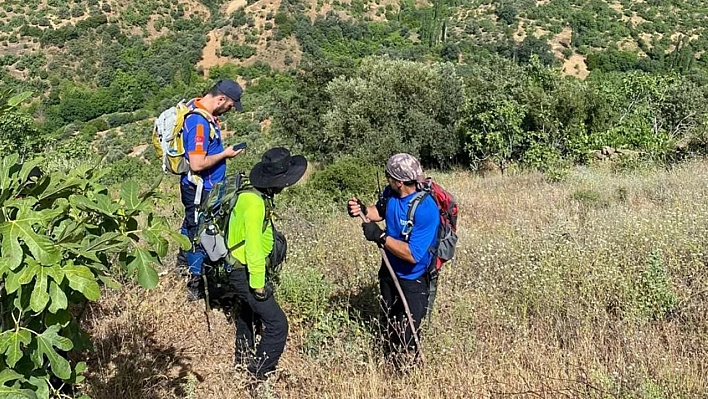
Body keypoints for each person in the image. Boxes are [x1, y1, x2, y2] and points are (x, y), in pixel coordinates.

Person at [347, 153, 440, 364]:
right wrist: (362, 210)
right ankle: (389, 363)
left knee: (408, 333)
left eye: (389, 176)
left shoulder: (426, 209)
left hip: (413, 279)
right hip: (389, 271)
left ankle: (409, 375)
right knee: (390, 321)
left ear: (399, 181)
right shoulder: (391, 193)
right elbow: (379, 212)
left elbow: (413, 254)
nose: (387, 179)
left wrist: (380, 236)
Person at [226, 147, 306, 379]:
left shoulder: (249, 194)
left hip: (236, 267)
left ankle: (241, 361)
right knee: (277, 325)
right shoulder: (254, 203)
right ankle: (258, 375)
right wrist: (259, 285)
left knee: (248, 312)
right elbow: (252, 247)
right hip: (245, 271)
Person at [176, 79, 245, 299]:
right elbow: (197, 163)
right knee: (199, 234)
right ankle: (194, 287)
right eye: (230, 105)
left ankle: (181, 268)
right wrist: (225, 154)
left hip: (202, 188)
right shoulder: (198, 122)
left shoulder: (201, 113)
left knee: (191, 226)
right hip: (199, 190)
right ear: (221, 98)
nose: (230, 109)